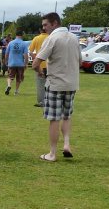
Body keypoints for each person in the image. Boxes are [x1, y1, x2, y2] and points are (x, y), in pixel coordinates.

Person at [32, 12, 81, 162]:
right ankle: (66, 144)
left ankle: (52, 153)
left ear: (54, 23)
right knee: (67, 116)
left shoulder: (52, 38)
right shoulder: (74, 38)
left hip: (55, 84)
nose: (44, 28)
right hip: (72, 84)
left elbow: (35, 63)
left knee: (54, 119)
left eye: (46, 25)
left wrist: (40, 73)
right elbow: (80, 62)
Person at [29, 26, 49, 107]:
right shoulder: (51, 38)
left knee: (40, 85)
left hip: (40, 65)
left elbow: (30, 52)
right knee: (50, 84)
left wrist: (35, 60)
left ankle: (41, 101)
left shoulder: (36, 38)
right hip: (50, 65)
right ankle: (50, 100)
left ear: (40, 30)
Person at [4, 30, 28, 95]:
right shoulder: (24, 43)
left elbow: (6, 53)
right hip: (20, 64)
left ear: (16, 35)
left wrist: (6, 61)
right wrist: (26, 63)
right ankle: (16, 91)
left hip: (11, 63)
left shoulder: (11, 43)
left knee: (10, 76)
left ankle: (9, 85)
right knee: (18, 78)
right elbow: (25, 55)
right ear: (22, 35)